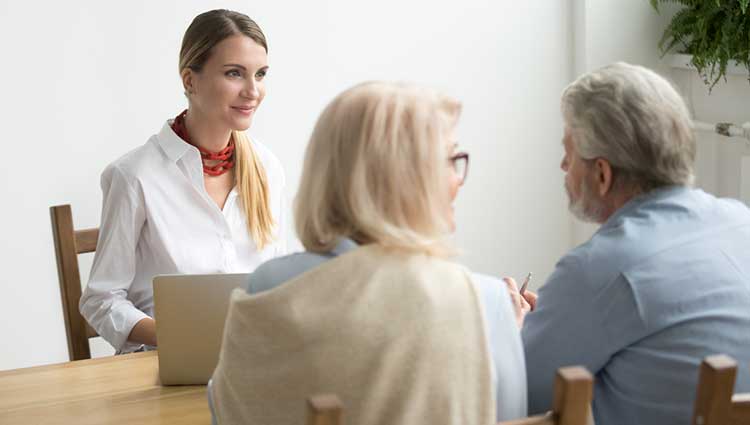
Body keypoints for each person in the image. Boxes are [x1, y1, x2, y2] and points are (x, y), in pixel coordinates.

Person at [209, 82, 527, 424]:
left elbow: (228, 414)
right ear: (411, 179)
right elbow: (510, 417)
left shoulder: (268, 286)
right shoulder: (484, 301)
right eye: (451, 160)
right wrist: (502, 331)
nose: (458, 179)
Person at [520, 62, 750, 425]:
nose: (563, 165)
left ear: (602, 174)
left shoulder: (596, 271)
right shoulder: (742, 222)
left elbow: (520, 394)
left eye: (569, 152)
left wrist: (517, 330)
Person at [79, 9, 286, 354]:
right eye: (235, 73)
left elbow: (277, 281)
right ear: (190, 80)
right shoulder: (134, 176)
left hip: (251, 360)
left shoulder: (267, 168)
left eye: (260, 74)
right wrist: (182, 337)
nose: (253, 91)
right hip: (164, 364)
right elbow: (101, 301)